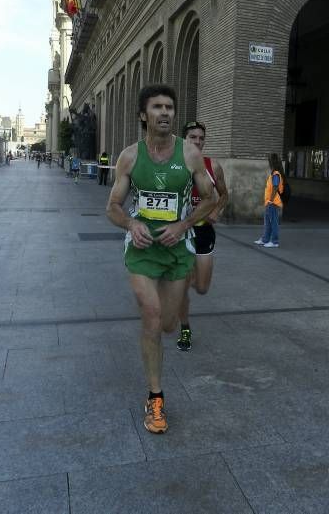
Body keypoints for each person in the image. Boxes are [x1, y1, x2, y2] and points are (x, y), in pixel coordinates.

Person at [106, 84, 215, 434]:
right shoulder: (129, 157)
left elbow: (212, 199)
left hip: (177, 251)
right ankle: (156, 398)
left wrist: (184, 225)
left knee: (168, 324)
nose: (165, 112)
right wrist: (131, 222)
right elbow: (112, 207)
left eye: (169, 107)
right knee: (152, 317)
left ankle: (166, 315)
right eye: (157, 107)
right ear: (143, 115)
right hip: (141, 251)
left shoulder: (190, 155)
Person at [176, 121, 229, 352]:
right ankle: (185, 327)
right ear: (183, 140)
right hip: (180, 232)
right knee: (181, 286)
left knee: (202, 288)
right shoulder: (174, 166)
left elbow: (224, 194)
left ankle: (188, 282)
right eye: (192, 137)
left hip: (203, 231)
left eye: (201, 138)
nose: (197, 142)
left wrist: (216, 211)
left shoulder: (212, 166)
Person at [254, 153, 284, 248]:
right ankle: (265, 239)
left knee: (273, 222)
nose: (268, 162)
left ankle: (274, 241)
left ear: (272, 162)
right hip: (269, 202)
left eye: (269, 160)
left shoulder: (276, 174)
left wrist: (270, 200)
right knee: (267, 222)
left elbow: (275, 187)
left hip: (273, 202)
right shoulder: (273, 173)